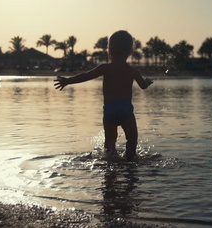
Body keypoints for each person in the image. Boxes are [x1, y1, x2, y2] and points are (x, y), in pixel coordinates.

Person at [54, 30, 153, 161]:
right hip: (126, 111)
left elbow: (86, 76)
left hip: (109, 111)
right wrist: (146, 82)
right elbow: (143, 86)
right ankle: (129, 165)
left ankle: (110, 172)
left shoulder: (105, 68)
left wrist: (67, 81)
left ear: (109, 51)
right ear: (131, 52)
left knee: (110, 143)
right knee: (132, 139)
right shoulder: (132, 71)